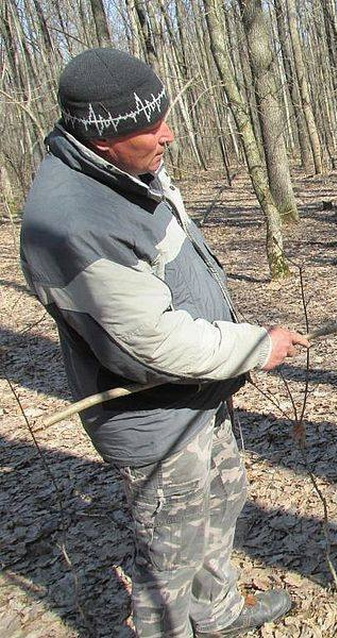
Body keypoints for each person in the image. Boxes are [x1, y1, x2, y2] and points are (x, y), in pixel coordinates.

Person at [19, 48, 309, 637]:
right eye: (151, 129)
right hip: (155, 418)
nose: (169, 135)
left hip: (198, 396)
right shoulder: (73, 222)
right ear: (104, 142)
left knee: (220, 509)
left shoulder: (128, 172)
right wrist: (256, 346)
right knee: (170, 556)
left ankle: (220, 613)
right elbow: (149, 345)